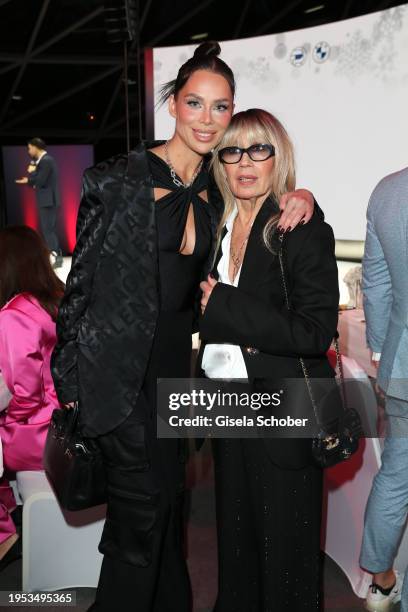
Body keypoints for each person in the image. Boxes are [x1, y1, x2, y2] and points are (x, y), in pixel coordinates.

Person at [51, 43, 317, 612]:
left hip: (177, 388)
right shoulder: (119, 180)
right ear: (172, 104)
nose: (206, 118)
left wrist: (303, 194)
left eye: (220, 108)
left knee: (168, 520)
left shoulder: (217, 190)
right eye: (194, 103)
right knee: (140, 529)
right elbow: (79, 291)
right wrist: (70, 387)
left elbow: (264, 198)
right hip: (118, 387)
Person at [198, 109, 339, 611]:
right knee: (236, 550)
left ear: (278, 156)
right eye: (232, 150)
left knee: (286, 559)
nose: (245, 162)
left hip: (285, 411)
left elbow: (314, 330)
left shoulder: (300, 228)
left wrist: (225, 306)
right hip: (227, 408)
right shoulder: (217, 223)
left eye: (260, 149)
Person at [359, 167, 408, 612]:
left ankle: (380, 585)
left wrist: (378, 348)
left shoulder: (389, 191)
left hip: (402, 360)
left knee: (396, 476)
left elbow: (375, 282)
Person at [0, 226, 63, 565]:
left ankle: (7, 535)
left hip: (37, 430)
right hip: (65, 421)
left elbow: (25, 394)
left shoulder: (14, 313)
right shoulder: (58, 296)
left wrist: (6, 421)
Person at [15, 137, 63, 268]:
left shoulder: (46, 161)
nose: (29, 151)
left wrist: (31, 176)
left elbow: (41, 181)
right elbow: (40, 180)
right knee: (48, 229)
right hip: (47, 199)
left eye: (30, 148)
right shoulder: (43, 161)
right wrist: (31, 178)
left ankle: (57, 257)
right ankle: (56, 257)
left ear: (36, 147)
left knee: (48, 229)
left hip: (48, 200)